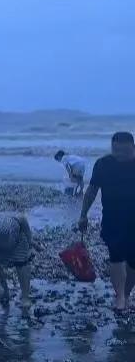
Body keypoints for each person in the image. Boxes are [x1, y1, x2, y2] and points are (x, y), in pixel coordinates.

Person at [79, 131, 135, 311]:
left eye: (124, 152)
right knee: (116, 257)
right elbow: (92, 190)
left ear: (133, 148)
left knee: (133, 261)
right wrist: (83, 215)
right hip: (112, 217)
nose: (119, 155)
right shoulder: (103, 164)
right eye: (116, 150)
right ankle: (119, 297)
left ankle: (127, 294)